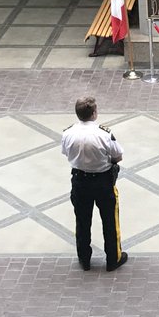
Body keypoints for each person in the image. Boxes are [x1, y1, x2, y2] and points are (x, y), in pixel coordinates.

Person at [61, 96, 127, 271]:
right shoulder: (103, 134)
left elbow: (66, 153)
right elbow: (118, 156)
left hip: (79, 181)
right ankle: (113, 259)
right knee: (110, 221)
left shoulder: (67, 133)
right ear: (94, 113)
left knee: (82, 221)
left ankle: (84, 259)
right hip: (102, 181)